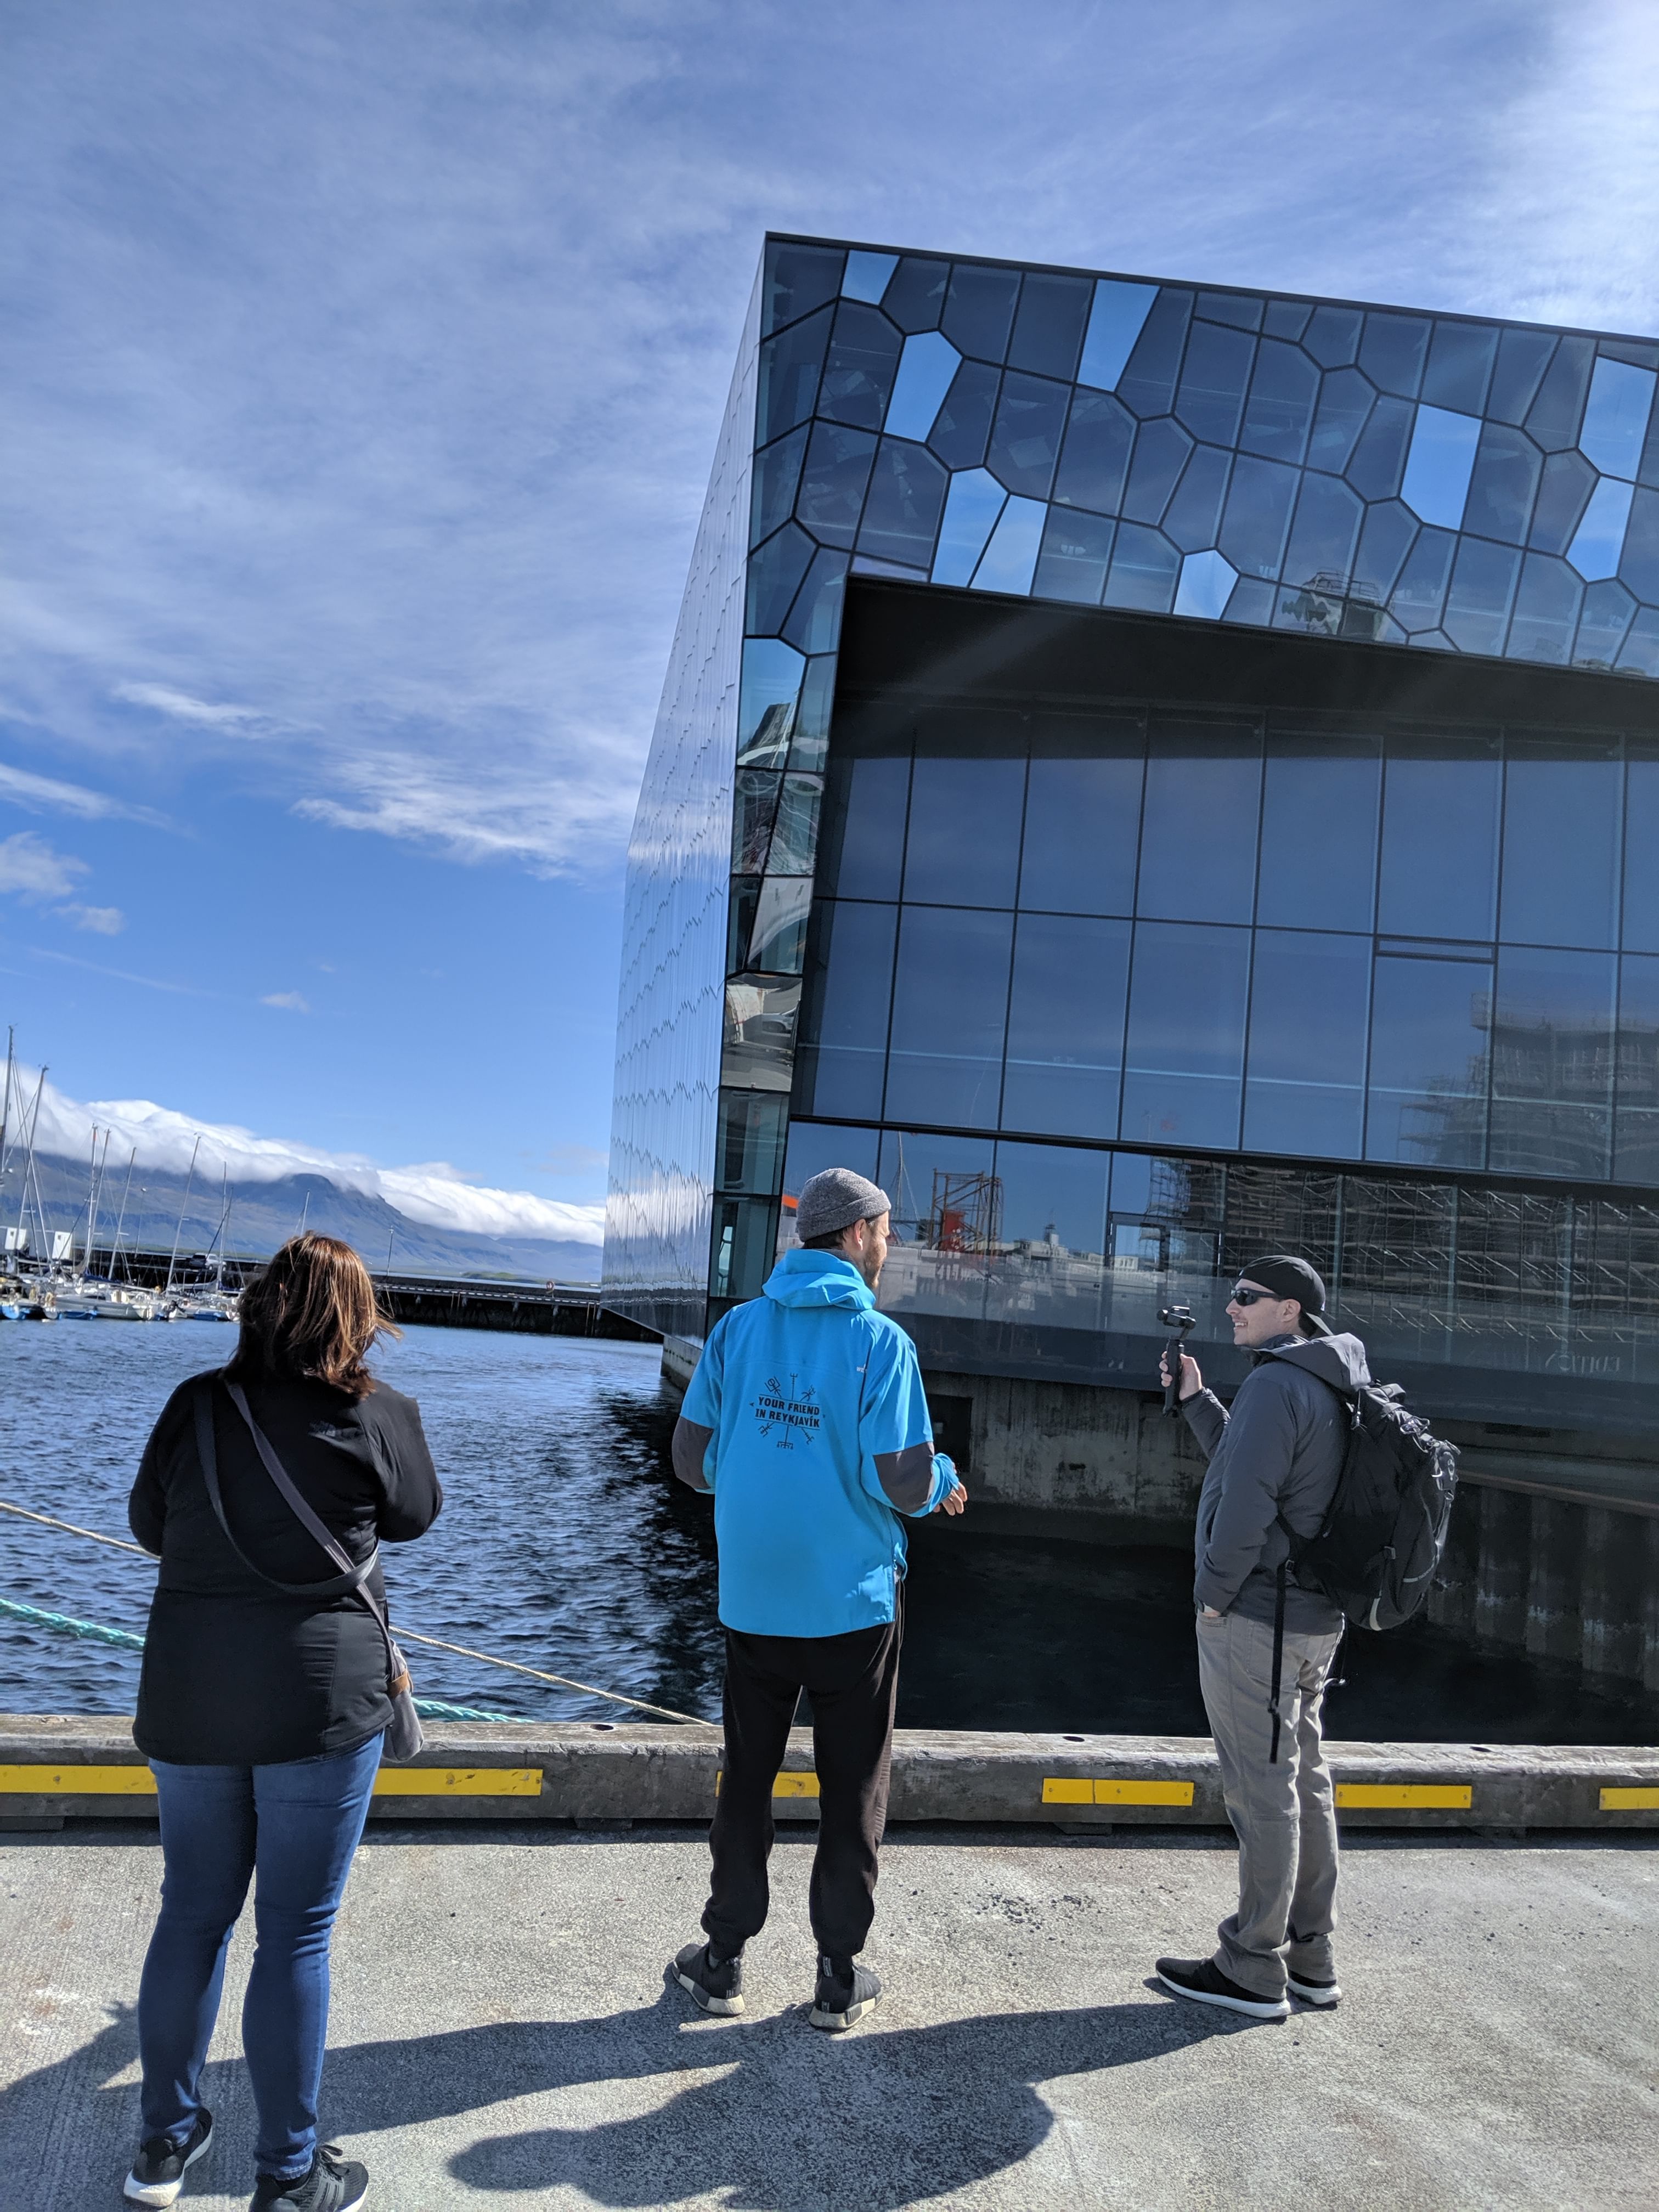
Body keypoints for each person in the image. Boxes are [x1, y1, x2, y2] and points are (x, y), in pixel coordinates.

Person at [122, 1235, 442, 2211]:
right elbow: (419, 1513)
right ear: (357, 1317)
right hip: (320, 1702)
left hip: (190, 1696)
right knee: (295, 1937)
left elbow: (148, 1525)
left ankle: (162, 2150)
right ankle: (290, 2174)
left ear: (260, 1305)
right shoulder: (377, 1413)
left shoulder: (196, 1406)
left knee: (191, 1917)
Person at [666, 1167, 966, 2032]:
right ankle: (837, 1976)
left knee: (746, 1781)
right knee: (851, 1786)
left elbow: (691, 1461)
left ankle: (722, 1962)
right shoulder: (881, 1342)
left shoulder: (737, 1330)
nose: (891, 1243)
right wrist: (944, 1479)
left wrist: (759, 1471)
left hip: (753, 1603)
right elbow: (902, 1480)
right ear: (856, 1235)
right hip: (852, 1608)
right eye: (885, 1228)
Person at [1155, 1254, 1369, 2022]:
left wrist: (1212, 1596)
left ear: (1291, 1311)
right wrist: (1201, 1402)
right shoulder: (1333, 1382)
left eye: (1247, 1299)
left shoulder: (1278, 1384)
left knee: (1261, 1791)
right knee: (1305, 1779)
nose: (1232, 1309)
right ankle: (1311, 1957)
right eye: (1232, 1297)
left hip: (1257, 1618)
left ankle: (1251, 1965)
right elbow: (1266, 1480)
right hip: (1314, 1618)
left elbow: (1246, 1506)